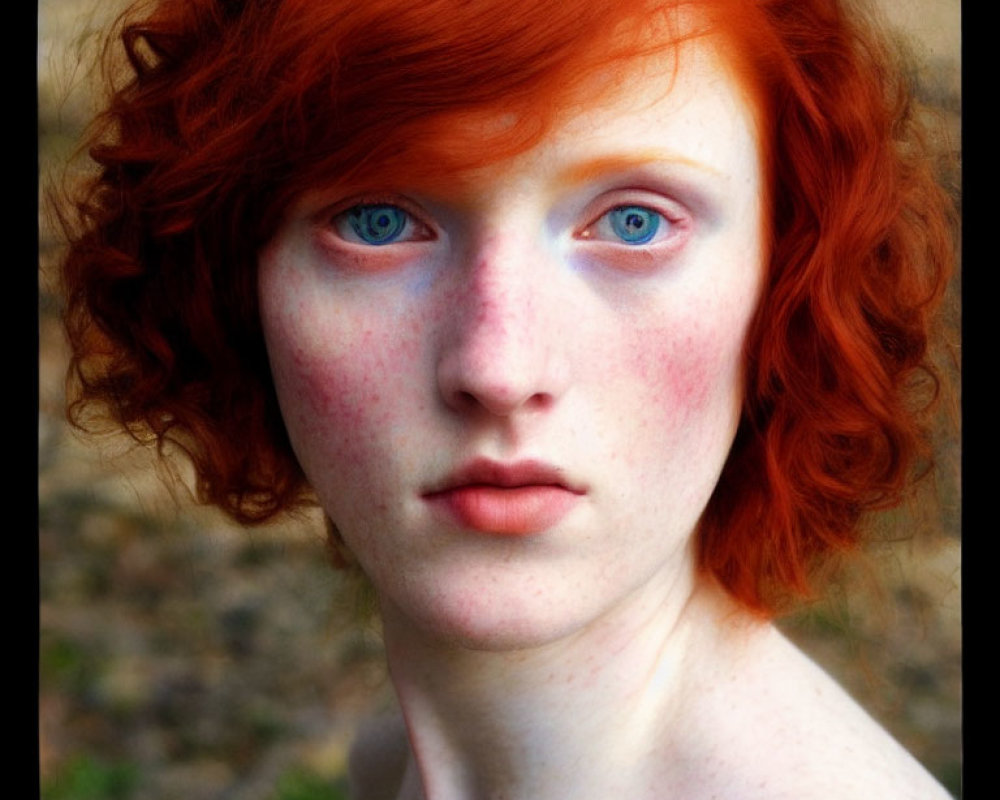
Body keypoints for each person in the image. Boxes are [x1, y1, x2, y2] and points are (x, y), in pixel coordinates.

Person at [55, 0, 957, 797]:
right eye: (378, 221)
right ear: (233, 288)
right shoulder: (390, 765)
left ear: (789, 284)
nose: (497, 365)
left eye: (634, 222)